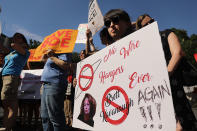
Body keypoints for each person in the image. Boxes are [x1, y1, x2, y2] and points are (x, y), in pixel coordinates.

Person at [136, 14, 197, 131]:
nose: (150, 24)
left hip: (172, 81)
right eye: (146, 25)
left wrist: (165, 75)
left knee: (184, 119)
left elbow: (177, 53)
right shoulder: (141, 45)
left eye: (152, 21)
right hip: (153, 89)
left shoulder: (166, 33)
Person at [0, 32, 30, 131]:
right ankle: (6, 127)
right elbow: (4, 48)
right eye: (14, 37)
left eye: (18, 37)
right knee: (6, 106)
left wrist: (15, 44)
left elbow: (13, 45)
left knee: (8, 103)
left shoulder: (24, 51)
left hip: (11, 78)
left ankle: (8, 127)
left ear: (23, 40)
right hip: (4, 77)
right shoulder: (12, 52)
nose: (15, 38)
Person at [40, 49, 72, 131]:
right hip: (46, 84)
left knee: (55, 117)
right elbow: (45, 62)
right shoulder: (54, 50)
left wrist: (52, 57)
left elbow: (65, 65)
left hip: (54, 84)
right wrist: (45, 56)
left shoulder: (64, 49)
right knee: (45, 117)